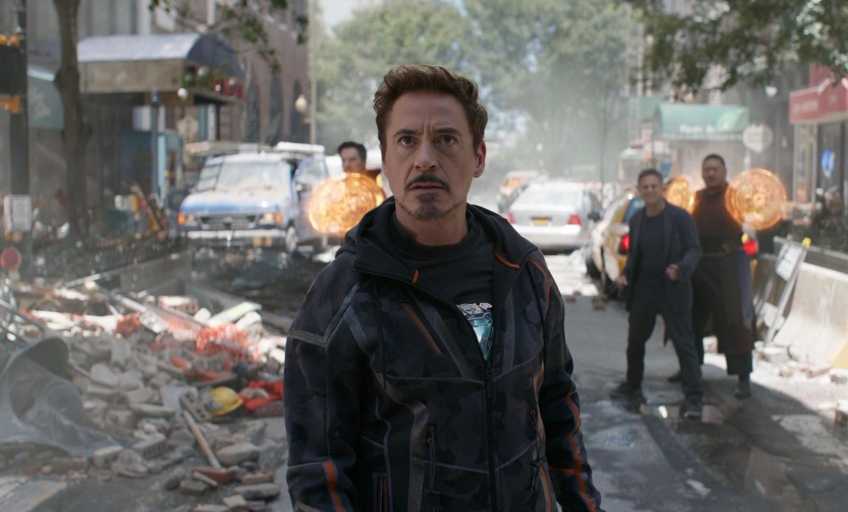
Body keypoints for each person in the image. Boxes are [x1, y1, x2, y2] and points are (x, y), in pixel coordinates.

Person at [284, 65, 603, 511]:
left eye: (446, 140)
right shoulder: (344, 296)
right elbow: (318, 473)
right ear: (385, 160)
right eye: (407, 140)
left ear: (478, 157)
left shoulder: (524, 271)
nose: (425, 159)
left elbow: (558, 408)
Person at [611, 169, 704, 419]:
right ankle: (633, 387)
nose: (650, 190)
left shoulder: (680, 218)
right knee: (635, 342)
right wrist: (625, 275)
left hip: (673, 289)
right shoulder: (637, 220)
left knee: (684, 344)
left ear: (662, 189)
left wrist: (681, 269)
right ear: (639, 190)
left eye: (654, 186)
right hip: (644, 289)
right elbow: (635, 256)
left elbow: (694, 250)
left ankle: (694, 398)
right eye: (645, 187)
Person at [690, 154, 756, 399]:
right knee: (692, 318)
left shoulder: (736, 198)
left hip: (728, 264)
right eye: (706, 169)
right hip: (699, 263)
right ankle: (691, 369)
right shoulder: (695, 199)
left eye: (715, 169)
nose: (710, 173)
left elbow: (755, 218)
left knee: (735, 322)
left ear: (724, 171)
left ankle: (743, 378)